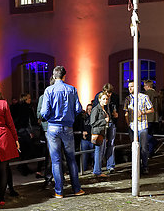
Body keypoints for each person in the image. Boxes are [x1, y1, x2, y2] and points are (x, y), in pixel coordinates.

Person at [40, 66, 85, 198]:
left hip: (53, 127)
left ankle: (59, 191)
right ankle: (76, 189)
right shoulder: (72, 89)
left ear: (54, 76)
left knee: (56, 160)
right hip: (68, 127)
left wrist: (50, 117)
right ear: (64, 76)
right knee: (71, 159)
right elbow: (78, 109)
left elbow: (44, 112)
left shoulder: (49, 90)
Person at [124, 80, 155, 174]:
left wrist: (143, 112)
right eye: (129, 87)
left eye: (132, 86)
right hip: (132, 126)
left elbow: (152, 109)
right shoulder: (128, 99)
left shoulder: (144, 97)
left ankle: (145, 166)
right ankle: (136, 166)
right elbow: (126, 113)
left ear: (136, 87)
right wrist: (128, 124)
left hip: (142, 125)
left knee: (143, 147)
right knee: (134, 147)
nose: (130, 88)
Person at [90, 93, 111, 178]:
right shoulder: (96, 109)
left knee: (101, 152)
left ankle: (98, 170)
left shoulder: (104, 109)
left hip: (103, 133)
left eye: (106, 99)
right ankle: (97, 171)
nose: (105, 100)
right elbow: (92, 123)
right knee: (98, 152)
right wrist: (104, 121)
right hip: (98, 133)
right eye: (103, 99)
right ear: (99, 99)